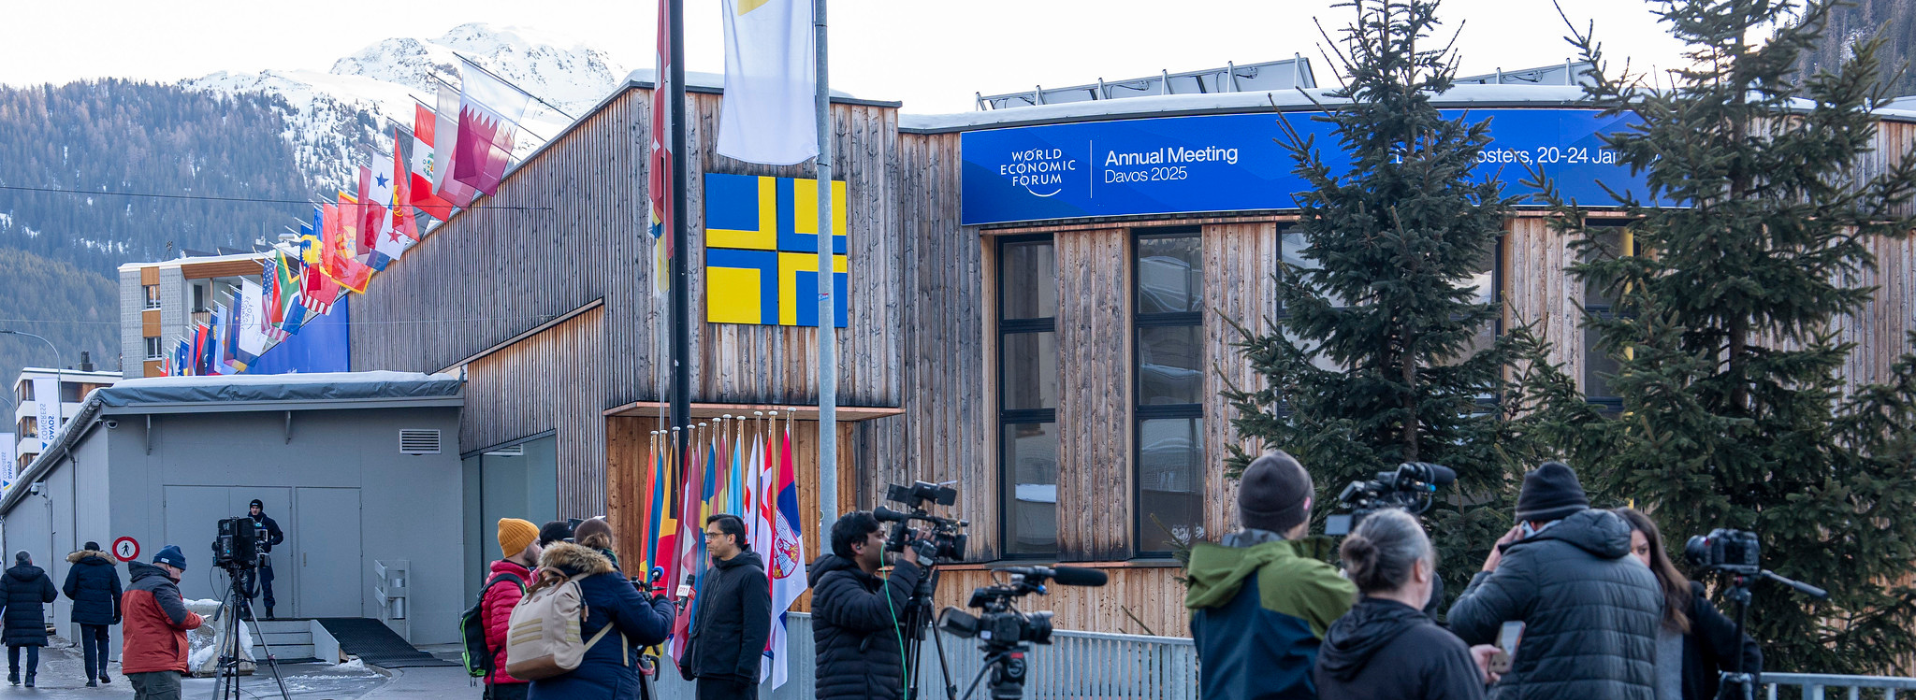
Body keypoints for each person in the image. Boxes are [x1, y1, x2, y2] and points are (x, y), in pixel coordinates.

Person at [1447, 461, 1663, 700]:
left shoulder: (1530, 560)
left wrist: (1489, 569)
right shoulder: (1644, 577)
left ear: (1533, 523)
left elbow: (1465, 624)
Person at [1185, 451, 1355, 700]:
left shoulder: (1208, 579)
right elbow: (1380, 625)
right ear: (1303, 513)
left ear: (1242, 511)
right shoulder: (1306, 580)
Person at [1315, 509, 1502, 700]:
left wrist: (1463, 671)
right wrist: (1456, 669)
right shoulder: (1440, 652)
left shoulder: (1335, 638)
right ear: (1420, 569)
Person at [1614, 508, 1763, 700]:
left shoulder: (1685, 602)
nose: (1636, 560)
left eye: (1642, 550)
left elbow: (1746, 653)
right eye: (1626, 551)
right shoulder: (1599, 603)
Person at [525, 537, 674, 700]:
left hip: (541, 690)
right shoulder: (607, 580)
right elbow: (654, 629)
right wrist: (664, 603)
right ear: (609, 547)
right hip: (596, 691)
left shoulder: (548, 582)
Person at [808, 511, 923, 700]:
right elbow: (876, 613)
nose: (887, 541)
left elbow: (912, 623)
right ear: (858, 546)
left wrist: (923, 571)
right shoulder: (832, 584)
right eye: (880, 535)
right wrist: (908, 564)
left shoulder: (874, 586)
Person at [678, 514, 771, 700]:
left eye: (713, 535)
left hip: (733, 677)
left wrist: (744, 672)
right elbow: (700, 621)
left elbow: (756, 630)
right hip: (708, 673)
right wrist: (689, 658)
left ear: (731, 538)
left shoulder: (752, 576)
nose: (707, 541)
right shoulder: (713, 573)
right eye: (707, 535)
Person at [122, 545, 204, 700]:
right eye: (180, 571)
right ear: (169, 566)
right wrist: (198, 619)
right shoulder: (162, 585)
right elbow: (179, 618)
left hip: (136, 662)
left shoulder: (131, 587)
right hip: (159, 662)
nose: (179, 577)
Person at [481, 518, 542, 700]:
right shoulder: (507, 585)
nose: (540, 549)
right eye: (537, 543)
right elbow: (504, 633)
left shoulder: (515, 578)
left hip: (514, 677)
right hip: (511, 682)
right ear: (523, 547)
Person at [64, 540, 124, 688]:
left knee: (88, 643)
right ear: (100, 551)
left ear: (84, 551)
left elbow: (68, 588)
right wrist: (117, 612)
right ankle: (102, 669)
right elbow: (117, 592)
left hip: (84, 610)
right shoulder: (108, 568)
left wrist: (79, 597)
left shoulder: (78, 566)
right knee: (103, 639)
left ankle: (91, 678)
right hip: (103, 611)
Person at [0, 551, 56, 687]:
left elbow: (1, 600)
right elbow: (51, 596)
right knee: (33, 645)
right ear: (30, 561)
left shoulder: (7, 577)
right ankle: (30, 676)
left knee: (13, 645)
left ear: (16, 563)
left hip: (14, 617)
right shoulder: (41, 577)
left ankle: (14, 675)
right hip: (34, 616)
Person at [243, 499, 286, 618]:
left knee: (266, 584)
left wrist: (270, 542)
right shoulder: (245, 522)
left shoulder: (268, 522)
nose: (254, 510)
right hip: (249, 558)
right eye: (252, 508)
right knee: (248, 585)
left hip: (263, 556)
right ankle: (246, 611)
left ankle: (269, 611)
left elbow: (279, 536)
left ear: (260, 508)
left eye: (257, 508)